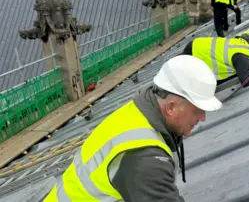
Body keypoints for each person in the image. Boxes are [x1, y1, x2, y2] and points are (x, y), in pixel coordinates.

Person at [42, 55, 222, 202]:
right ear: (171, 107)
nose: (203, 118)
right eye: (197, 110)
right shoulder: (145, 158)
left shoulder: (139, 111)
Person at [182, 30, 249, 87]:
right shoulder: (242, 55)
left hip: (197, 46)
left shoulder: (245, 41)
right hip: (196, 54)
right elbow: (247, 81)